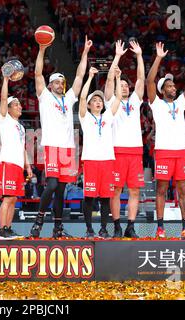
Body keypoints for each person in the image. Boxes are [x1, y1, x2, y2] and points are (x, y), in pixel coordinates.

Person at [29, 35, 92, 238]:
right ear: (50, 85)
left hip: (68, 149)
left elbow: (80, 78)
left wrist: (84, 54)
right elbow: (38, 73)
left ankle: (57, 228)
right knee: (53, 184)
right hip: (52, 146)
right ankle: (38, 221)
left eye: (62, 82)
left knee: (61, 190)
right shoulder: (45, 97)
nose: (60, 84)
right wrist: (41, 49)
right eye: (57, 82)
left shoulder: (69, 99)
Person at [146, 42, 185, 239]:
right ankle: (160, 228)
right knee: (161, 189)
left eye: (173, 85)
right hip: (163, 151)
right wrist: (159, 58)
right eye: (169, 86)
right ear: (163, 90)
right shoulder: (156, 104)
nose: (173, 87)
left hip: (180, 152)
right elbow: (149, 81)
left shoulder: (180, 103)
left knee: (182, 190)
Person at [105, 40, 145, 238]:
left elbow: (140, 80)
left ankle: (130, 225)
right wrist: (118, 57)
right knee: (116, 190)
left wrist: (138, 56)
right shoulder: (111, 100)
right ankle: (117, 225)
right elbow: (109, 80)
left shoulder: (136, 101)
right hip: (117, 150)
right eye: (120, 85)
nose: (125, 88)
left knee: (135, 191)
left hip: (135, 151)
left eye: (126, 85)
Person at [79, 66, 122, 238]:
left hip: (107, 161)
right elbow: (82, 97)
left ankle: (104, 228)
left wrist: (118, 78)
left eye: (100, 100)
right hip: (90, 160)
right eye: (94, 100)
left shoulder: (108, 116)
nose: (98, 102)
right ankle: (89, 229)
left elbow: (119, 97)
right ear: (89, 105)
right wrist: (89, 77)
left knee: (106, 197)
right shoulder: (85, 117)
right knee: (89, 197)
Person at [0, 75, 33, 240]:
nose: (20, 106)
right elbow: (4, 98)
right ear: (8, 108)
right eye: (16, 104)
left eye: (20, 104)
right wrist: (5, 80)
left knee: (14, 198)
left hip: (18, 166)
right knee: (7, 197)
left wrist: (28, 166)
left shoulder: (21, 127)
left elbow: (22, 148)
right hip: (7, 163)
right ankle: (1, 230)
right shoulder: (4, 119)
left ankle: (8, 228)